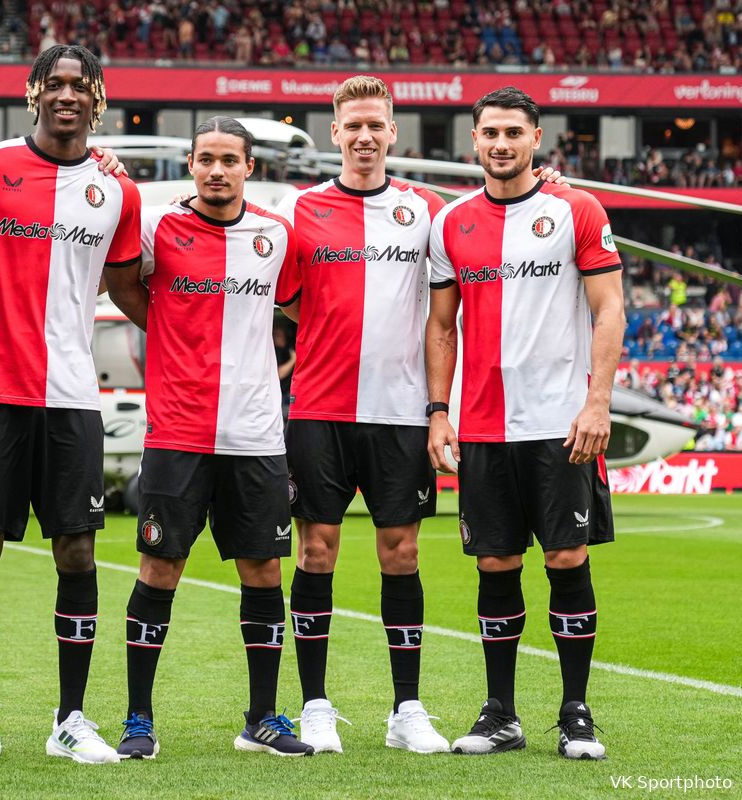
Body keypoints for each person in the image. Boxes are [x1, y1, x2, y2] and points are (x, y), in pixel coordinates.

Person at [273, 75, 566, 755]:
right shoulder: (300, 209)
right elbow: (286, 299)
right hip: (319, 407)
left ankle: (407, 708)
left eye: (378, 125)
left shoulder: (428, 211)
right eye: (354, 126)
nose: (366, 136)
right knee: (317, 550)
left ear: (392, 132)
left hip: (403, 414)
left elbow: (497, 222)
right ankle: (315, 704)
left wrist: (545, 184)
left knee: (400, 554)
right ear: (335, 132)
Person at [0, 44, 141, 767]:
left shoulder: (118, 190)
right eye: (52, 84)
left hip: (73, 395)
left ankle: (72, 719)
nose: (66, 95)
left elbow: (127, 288)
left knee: (78, 549)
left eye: (79, 86)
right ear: (30, 93)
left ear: (100, 100)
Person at [426, 87, 624, 760]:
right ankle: (500, 714)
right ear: (473, 142)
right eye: (490, 133)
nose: (501, 143)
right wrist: (437, 412)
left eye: (514, 131)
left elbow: (610, 308)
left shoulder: (577, 209)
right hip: (482, 428)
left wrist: (597, 402)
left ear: (536, 138)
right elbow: (441, 327)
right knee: (496, 562)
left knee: (567, 558)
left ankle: (576, 713)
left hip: (559, 424)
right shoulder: (450, 221)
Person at [105, 116, 312, 760]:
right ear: (191, 165)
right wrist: (166, 331)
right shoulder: (156, 227)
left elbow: (302, 306)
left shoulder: (276, 236)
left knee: (263, 568)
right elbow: (120, 285)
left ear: (251, 168)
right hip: (178, 431)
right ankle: (138, 720)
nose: (216, 170)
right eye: (205, 159)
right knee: (160, 568)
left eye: (229, 160)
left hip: (255, 433)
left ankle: (262, 718)